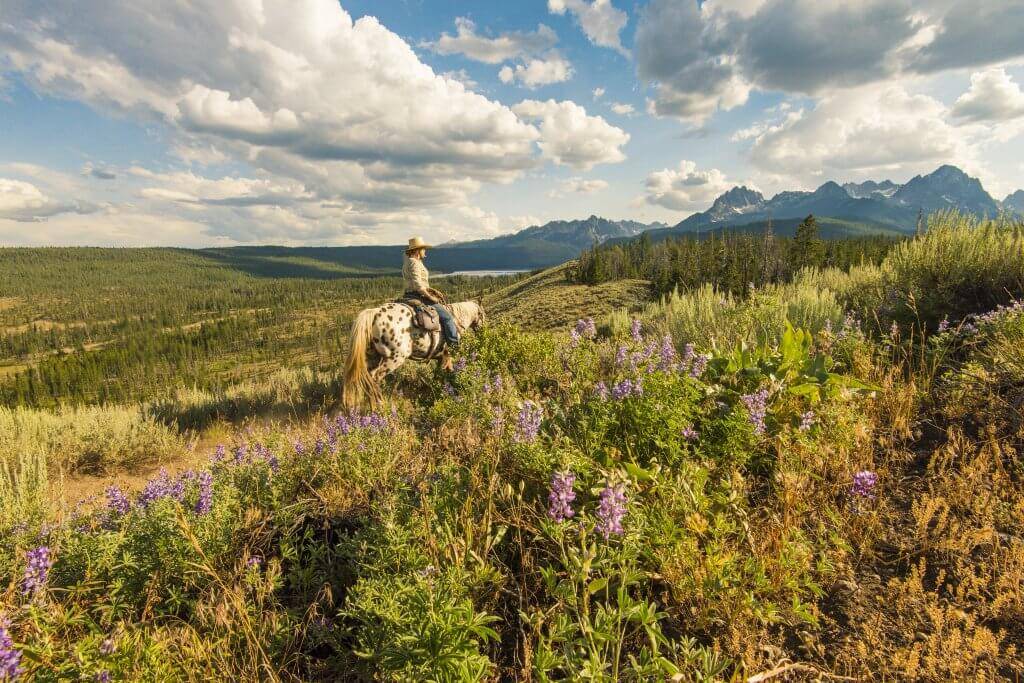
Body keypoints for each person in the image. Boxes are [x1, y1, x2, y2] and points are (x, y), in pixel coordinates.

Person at [402, 236, 460, 350]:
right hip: (419, 296)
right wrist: (430, 296)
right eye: (423, 249)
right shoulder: (414, 262)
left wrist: (432, 290)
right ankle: (454, 347)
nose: (425, 251)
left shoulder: (408, 262)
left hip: (409, 294)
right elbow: (418, 285)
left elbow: (417, 282)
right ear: (418, 250)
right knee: (447, 317)